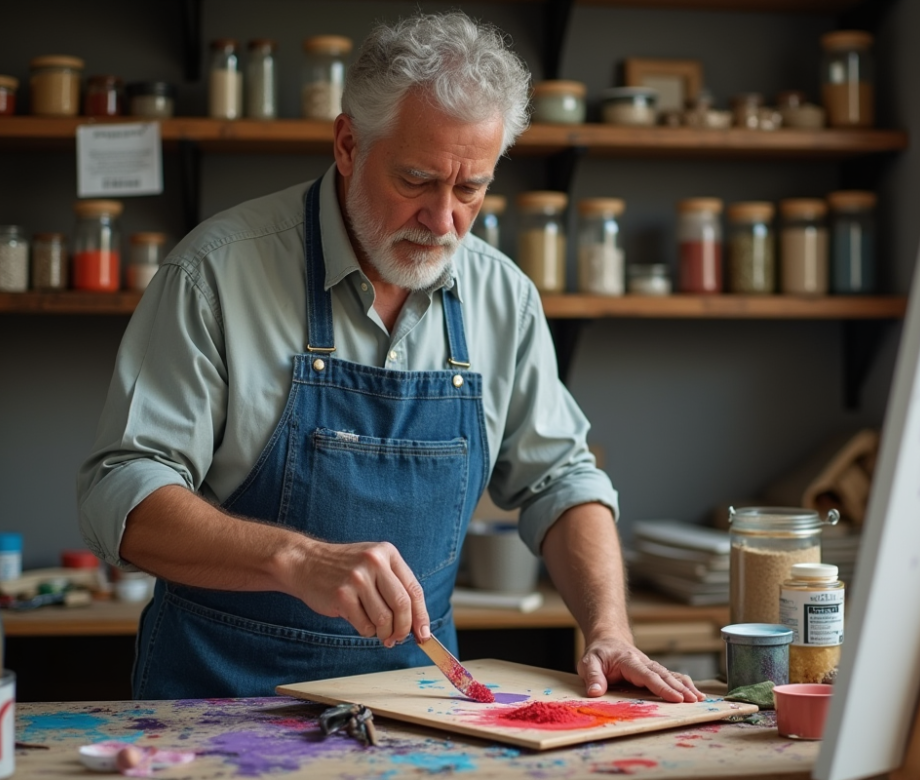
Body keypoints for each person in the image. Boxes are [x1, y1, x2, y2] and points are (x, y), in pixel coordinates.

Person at [77, 12, 704, 704]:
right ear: (348, 143)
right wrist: (296, 559)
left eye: (470, 189)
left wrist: (609, 629)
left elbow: (561, 482)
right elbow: (121, 492)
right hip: (217, 702)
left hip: (417, 708)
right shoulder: (214, 274)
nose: (443, 220)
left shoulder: (503, 296)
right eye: (416, 180)